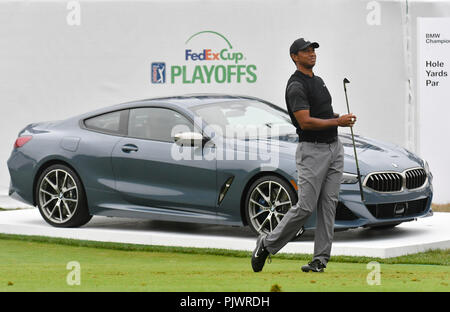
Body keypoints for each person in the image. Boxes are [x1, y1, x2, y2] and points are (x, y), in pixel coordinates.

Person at [251, 38, 356, 273]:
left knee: (328, 205)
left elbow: (323, 113)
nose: (311, 53)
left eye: (313, 50)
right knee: (306, 206)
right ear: (294, 57)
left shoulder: (318, 81)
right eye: (305, 51)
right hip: (312, 151)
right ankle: (267, 243)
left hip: (334, 148)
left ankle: (320, 260)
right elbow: (305, 122)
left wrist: (341, 118)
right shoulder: (295, 86)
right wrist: (337, 121)